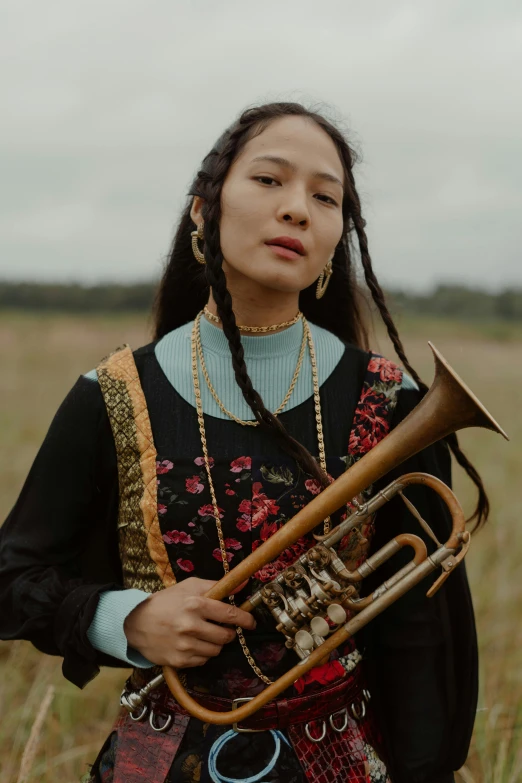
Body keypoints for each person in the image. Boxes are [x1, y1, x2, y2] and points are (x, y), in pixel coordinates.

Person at [0, 102, 486, 783]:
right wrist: (127, 618)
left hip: (344, 761)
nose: (298, 209)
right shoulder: (112, 395)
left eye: (326, 197)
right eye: (269, 180)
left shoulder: (392, 400)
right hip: (158, 761)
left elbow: (424, 631)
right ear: (203, 211)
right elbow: (11, 575)